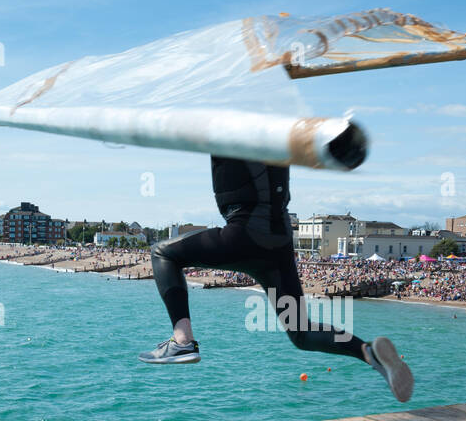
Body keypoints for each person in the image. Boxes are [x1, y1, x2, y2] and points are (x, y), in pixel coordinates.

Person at [142, 156, 414, 402]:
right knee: (301, 333)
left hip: (244, 233)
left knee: (162, 253)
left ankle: (182, 342)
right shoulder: (282, 137)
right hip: (278, 242)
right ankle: (368, 353)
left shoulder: (231, 128)